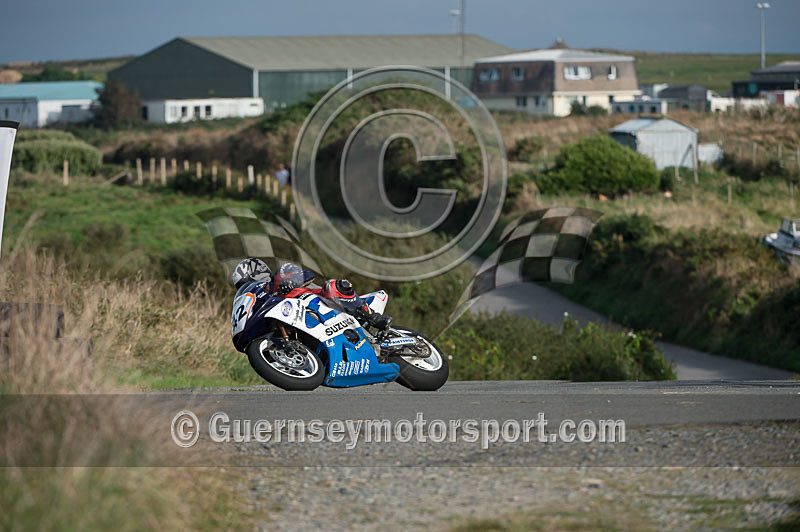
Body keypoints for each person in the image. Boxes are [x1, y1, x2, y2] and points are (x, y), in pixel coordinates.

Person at [232, 259, 391, 331]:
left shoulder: (278, 278)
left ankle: (373, 317)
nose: (245, 287)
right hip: (305, 320)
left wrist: (291, 281)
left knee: (333, 286)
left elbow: (305, 273)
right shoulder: (260, 300)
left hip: (318, 301)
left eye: (245, 282)